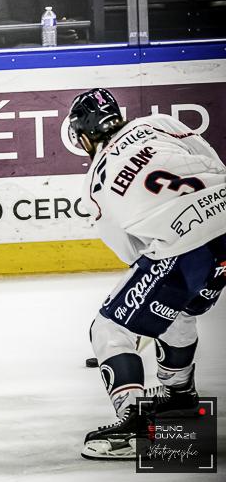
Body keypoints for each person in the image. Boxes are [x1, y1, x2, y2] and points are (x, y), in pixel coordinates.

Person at [67, 89, 226, 460]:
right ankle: (178, 395)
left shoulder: (95, 182)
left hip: (186, 242)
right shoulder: (158, 123)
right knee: (178, 311)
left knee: (109, 328)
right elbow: (212, 162)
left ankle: (134, 426)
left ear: (84, 136)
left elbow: (135, 253)